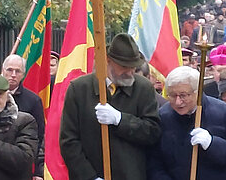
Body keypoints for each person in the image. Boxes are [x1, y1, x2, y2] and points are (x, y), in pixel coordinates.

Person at [60, 33, 161, 180]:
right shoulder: (79, 89)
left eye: (134, 66)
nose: (130, 71)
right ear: (108, 61)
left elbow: (153, 132)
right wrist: (90, 177)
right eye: (124, 66)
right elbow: (68, 141)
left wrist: (120, 120)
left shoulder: (143, 88)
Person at [148, 66, 226, 180]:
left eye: (183, 95)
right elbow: (154, 161)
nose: (178, 102)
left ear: (197, 92)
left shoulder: (225, 113)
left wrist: (213, 143)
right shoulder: (163, 116)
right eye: (172, 95)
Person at [2, 54, 45, 179]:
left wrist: (37, 171)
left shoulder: (33, 100)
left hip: (20, 163)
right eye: (9, 70)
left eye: (18, 71)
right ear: (3, 70)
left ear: (23, 74)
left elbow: (39, 137)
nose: (13, 74)